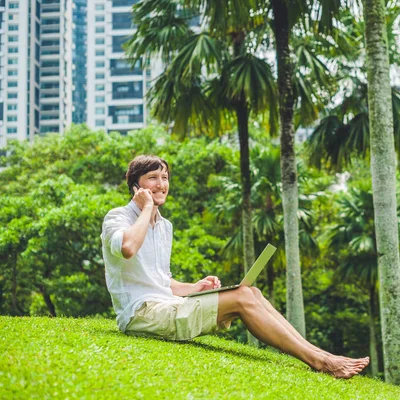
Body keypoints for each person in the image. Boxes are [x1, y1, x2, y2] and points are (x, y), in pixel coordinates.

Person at [101, 155, 369, 379]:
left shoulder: (164, 226)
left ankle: (323, 355)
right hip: (142, 315)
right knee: (242, 297)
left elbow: (162, 281)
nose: (161, 184)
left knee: (250, 292)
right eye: (153, 178)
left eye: (165, 178)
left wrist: (196, 287)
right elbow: (128, 248)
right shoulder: (118, 217)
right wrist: (146, 207)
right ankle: (322, 363)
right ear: (136, 186)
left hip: (167, 306)